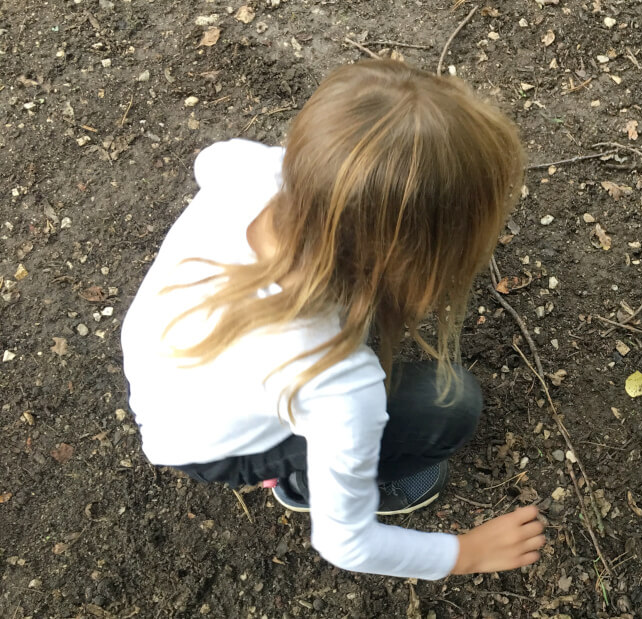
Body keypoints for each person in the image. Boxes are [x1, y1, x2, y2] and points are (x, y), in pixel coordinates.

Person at [121, 60, 546, 580]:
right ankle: (296, 482)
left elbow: (211, 158)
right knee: (451, 405)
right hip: (212, 445)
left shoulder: (254, 172)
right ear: (408, 254)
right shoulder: (339, 384)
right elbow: (345, 542)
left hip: (169, 375)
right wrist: (465, 554)